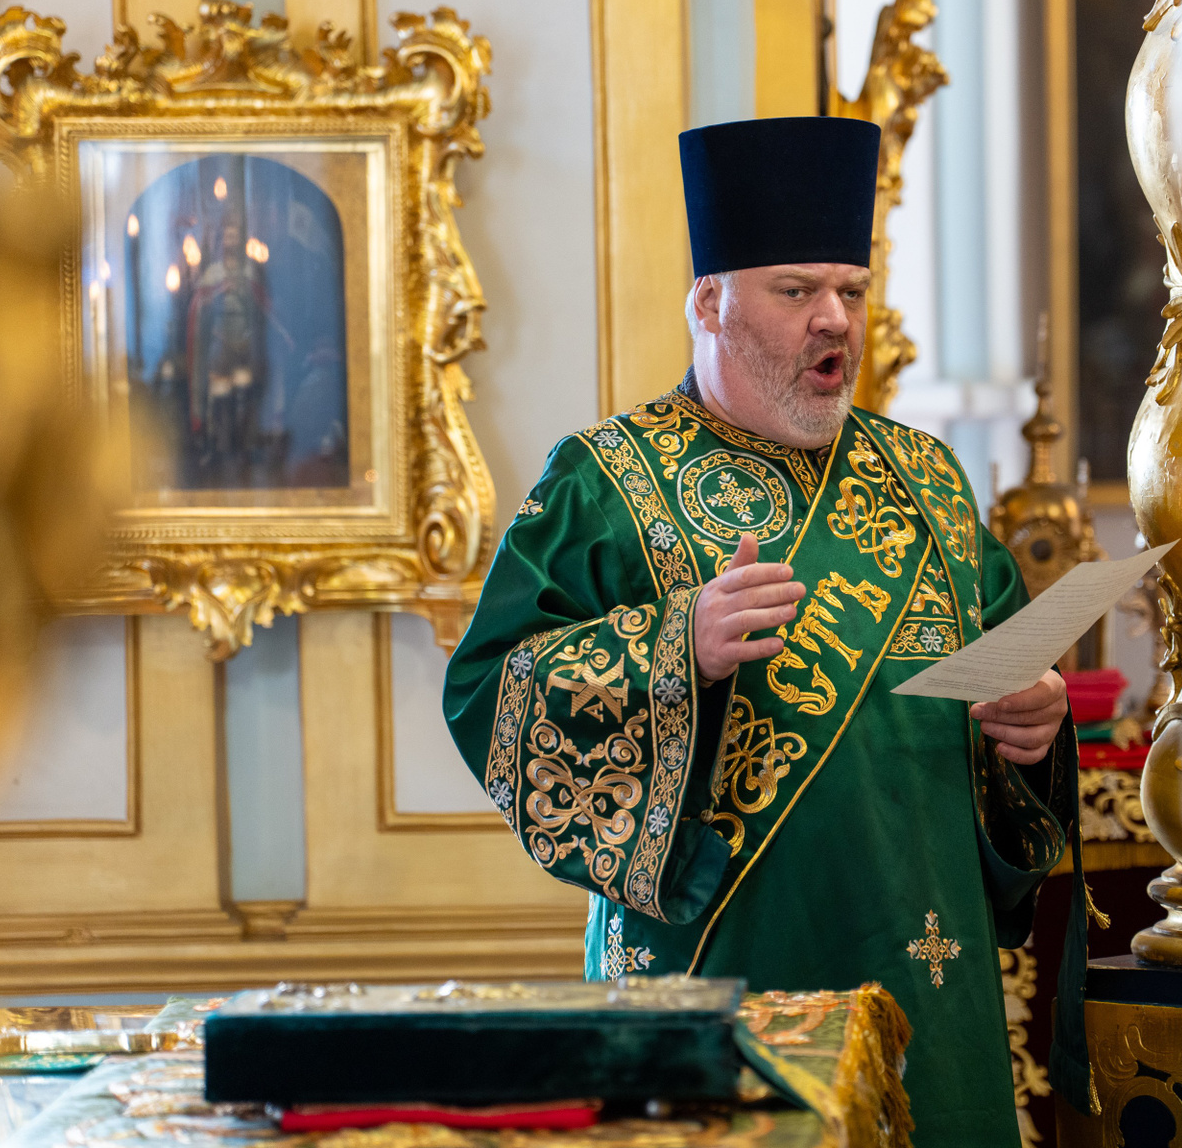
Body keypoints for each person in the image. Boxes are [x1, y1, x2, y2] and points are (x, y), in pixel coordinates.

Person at [444, 116, 1095, 1145]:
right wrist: (675, 649)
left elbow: (1011, 680)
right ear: (710, 302)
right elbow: (493, 689)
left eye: (853, 291)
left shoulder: (927, 479)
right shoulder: (603, 483)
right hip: (717, 980)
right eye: (797, 291)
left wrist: (1035, 722)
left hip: (934, 978)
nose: (836, 318)